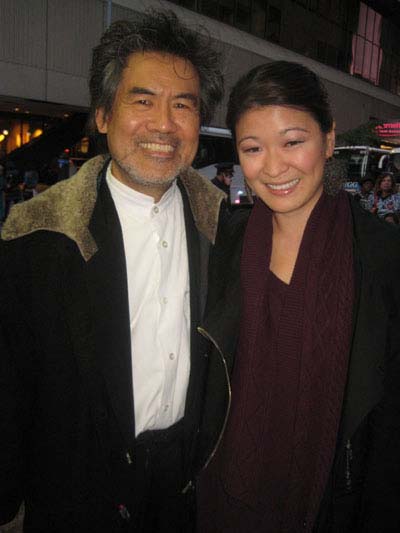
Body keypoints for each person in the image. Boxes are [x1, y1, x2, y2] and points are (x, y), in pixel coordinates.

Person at [0, 10, 225, 533]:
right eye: (142, 100)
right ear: (102, 114)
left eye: (183, 106)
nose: (164, 125)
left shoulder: (225, 233)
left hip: (185, 489)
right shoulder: (35, 241)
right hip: (76, 492)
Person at [197, 61, 400, 532]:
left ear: (328, 140)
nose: (273, 167)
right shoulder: (225, 242)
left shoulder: (382, 255)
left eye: (293, 141)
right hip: (220, 496)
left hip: (327, 504)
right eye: (253, 148)